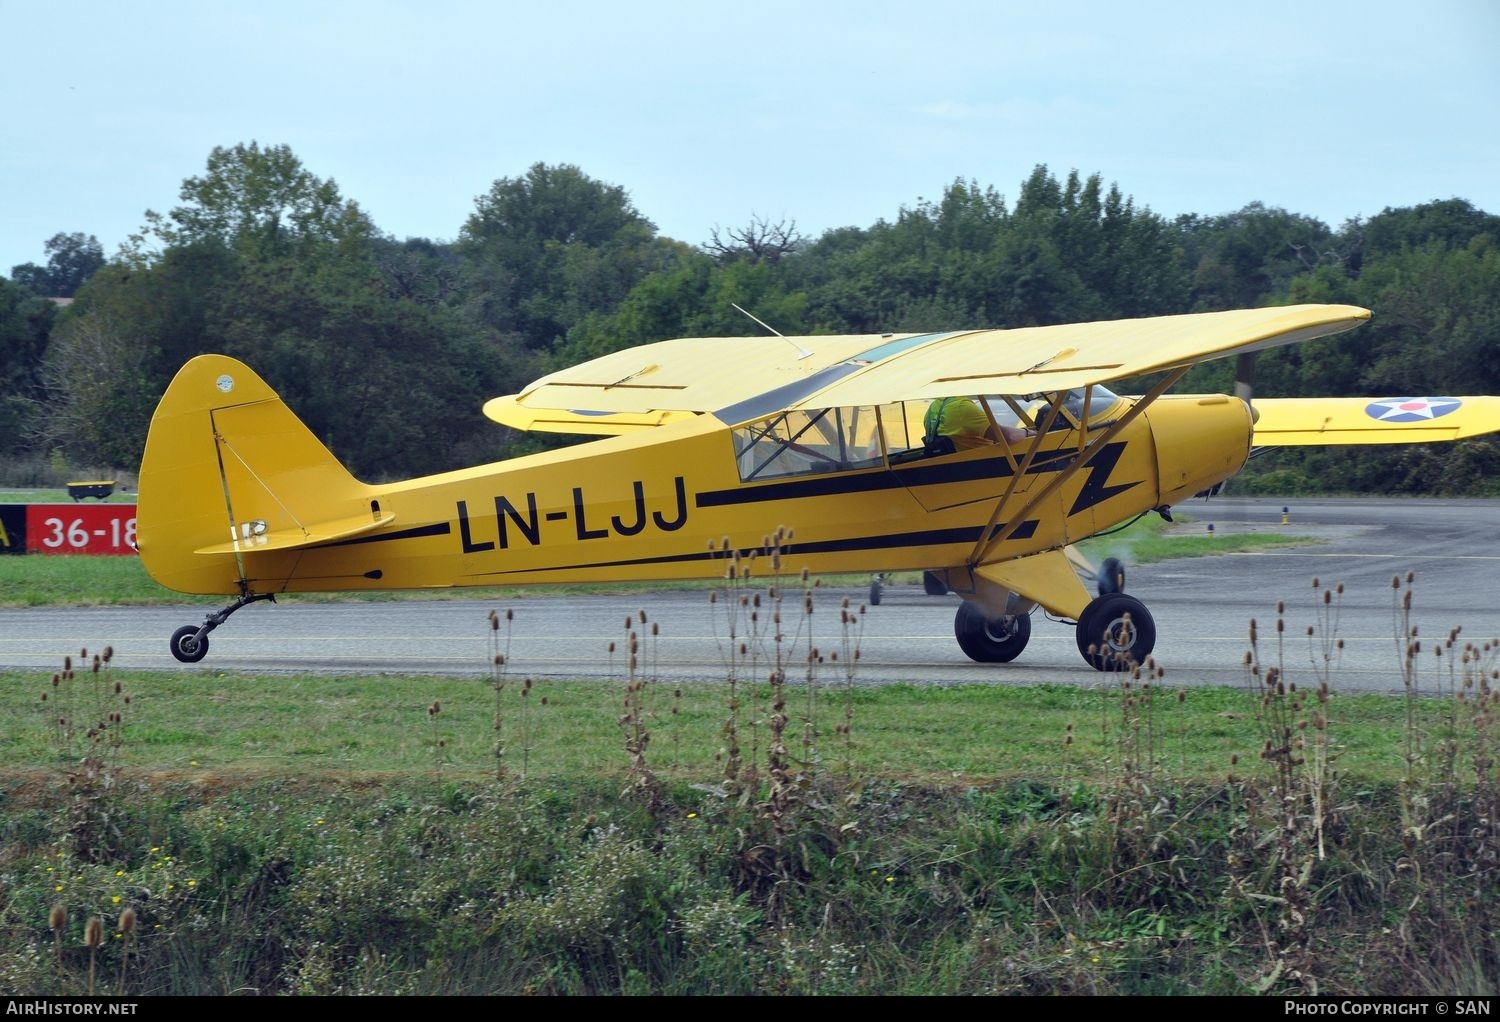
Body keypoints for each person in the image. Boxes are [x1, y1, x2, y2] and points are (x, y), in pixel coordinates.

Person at [923, 396, 1027, 453]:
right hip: (984, 465)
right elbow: (1007, 437)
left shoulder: (933, 408)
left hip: (954, 465)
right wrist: (1028, 432)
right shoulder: (961, 407)